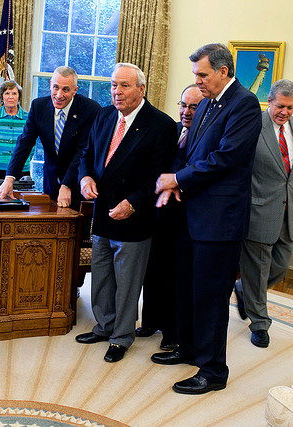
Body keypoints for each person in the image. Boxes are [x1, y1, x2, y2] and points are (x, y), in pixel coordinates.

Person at [152, 43, 261, 395]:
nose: (197, 81)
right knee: (187, 288)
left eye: (203, 74)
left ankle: (213, 370)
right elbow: (187, 152)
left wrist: (179, 180)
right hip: (191, 215)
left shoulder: (244, 104)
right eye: (195, 74)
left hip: (219, 221)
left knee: (211, 298)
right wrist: (173, 180)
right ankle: (189, 349)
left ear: (224, 72)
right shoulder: (206, 104)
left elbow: (226, 157)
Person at [75, 63, 176, 363]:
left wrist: (132, 203)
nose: (116, 92)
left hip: (134, 216)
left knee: (127, 282)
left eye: (124, 86)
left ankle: (121, 337)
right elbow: (88, 155)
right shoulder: (104, 115)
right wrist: (85, 178)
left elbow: (159, 176)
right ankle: (104, 326)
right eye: (113, 85)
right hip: (103, 212)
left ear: (141, 89)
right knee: (102, 275)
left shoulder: (161, 125)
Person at [235, 79, 293, 348]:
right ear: (270, 102)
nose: (284, 112)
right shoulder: (255, 126)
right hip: (258, 209)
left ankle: (244, 288)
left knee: (280, 265)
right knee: (258, 267)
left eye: (290, 107)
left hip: (287, 209)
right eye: (280, 106)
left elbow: (288, 174)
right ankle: (260, 324)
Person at [136, 84, 203, 351]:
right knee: (154, 269)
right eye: (183, 105)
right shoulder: (171, 129)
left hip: (186, 215)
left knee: (177, 276)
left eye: (193, 107)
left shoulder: (204, 136)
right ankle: (151, 321)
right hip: (159, 212)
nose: (186, 111)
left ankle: (172, 332)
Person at [0, 66, 100, 208]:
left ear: (75, 90)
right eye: (56, 87)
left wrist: (67, 184)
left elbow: (82, 152)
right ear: (50, 84)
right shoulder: (38, 106)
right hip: (50, 181)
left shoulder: (90, 110)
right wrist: (9, 178)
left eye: (66, 89)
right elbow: (25, 143)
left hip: (77, 183)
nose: (59, 95)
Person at [0, 80, 31, 181]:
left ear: (19, 97)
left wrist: (25, 159)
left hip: (21, 169)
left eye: (14, 93)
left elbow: (32, 144)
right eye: (7, 93)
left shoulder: (28, 118)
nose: (11, 97)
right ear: (2, 97)